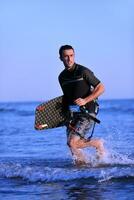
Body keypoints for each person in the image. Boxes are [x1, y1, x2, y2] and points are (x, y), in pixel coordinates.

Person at [58, 45, 106, 164]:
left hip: (87, 111)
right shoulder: (61, 77)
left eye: (71, 55)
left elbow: (101, 87)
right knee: (72, 145)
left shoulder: (83, 71)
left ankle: (97, 143)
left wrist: (85, 100)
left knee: (72, 143)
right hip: (73, 113)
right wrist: (64, 117)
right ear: (61, 58)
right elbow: (67, 97)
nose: (69, 59)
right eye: (66, 56)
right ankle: (81, 171)